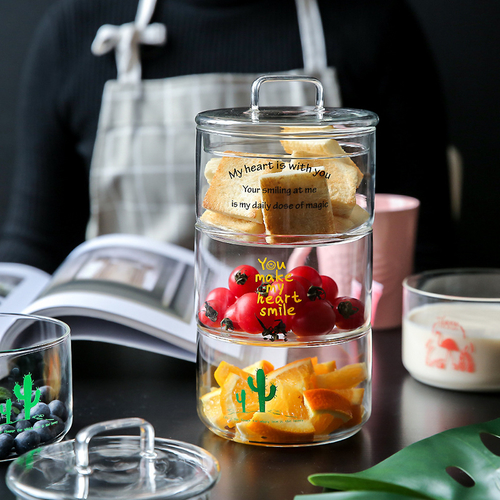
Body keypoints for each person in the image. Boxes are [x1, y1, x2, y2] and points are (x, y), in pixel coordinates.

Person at [0, 0, 453, 274]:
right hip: (123, 363)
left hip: (319, 340)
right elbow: (35, 244)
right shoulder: (77, 27)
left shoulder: (371, 20)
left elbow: (424, 245)